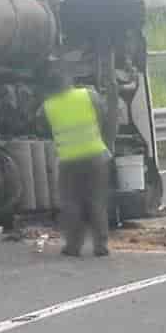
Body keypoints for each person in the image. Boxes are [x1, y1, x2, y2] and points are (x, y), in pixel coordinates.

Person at [41, 74, 111, 257]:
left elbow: (42, 128)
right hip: (95, 156)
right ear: (70, 82)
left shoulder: (48, 106)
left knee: (71, 203)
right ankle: (101, 246)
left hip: (68, 161)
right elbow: (104, 114)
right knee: (96, 200)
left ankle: (73, 246)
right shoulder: (89, 95)